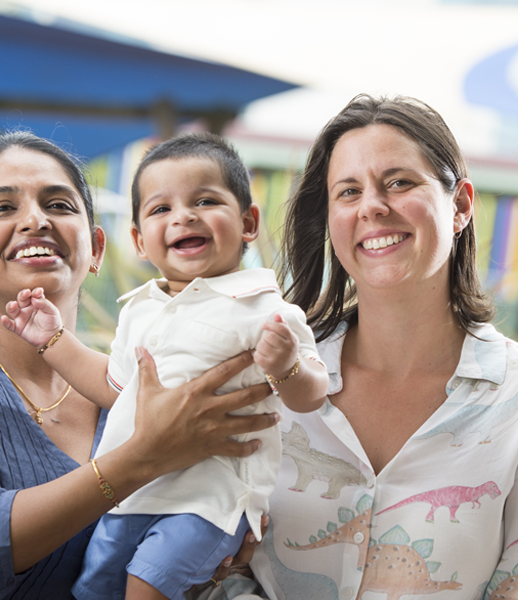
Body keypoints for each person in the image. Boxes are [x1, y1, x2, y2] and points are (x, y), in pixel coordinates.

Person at [0, 131, 280, 600]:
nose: (35, 220)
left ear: (96, 247)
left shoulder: (145, 382)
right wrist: (139, 458)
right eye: (3, 207)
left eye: (60, 205)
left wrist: (209, 554)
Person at [210, 94, 517, 600]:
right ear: (331, 221)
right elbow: (203, 563)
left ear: (460, 205)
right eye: (348, 192)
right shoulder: (262, 376)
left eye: (399, 182)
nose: (373, 206)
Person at [2, 133, 329, 600]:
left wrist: (287, 366)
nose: (184, 216)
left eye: (205, 200)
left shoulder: (265, 309)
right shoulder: (140, 309)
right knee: (95, 588)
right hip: (130, 495)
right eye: (160, 209)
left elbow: (313, 392)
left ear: (249, 222)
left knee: (147, 585)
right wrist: (53, 341)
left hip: (208, 502)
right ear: (138, 240)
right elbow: (115, 388)